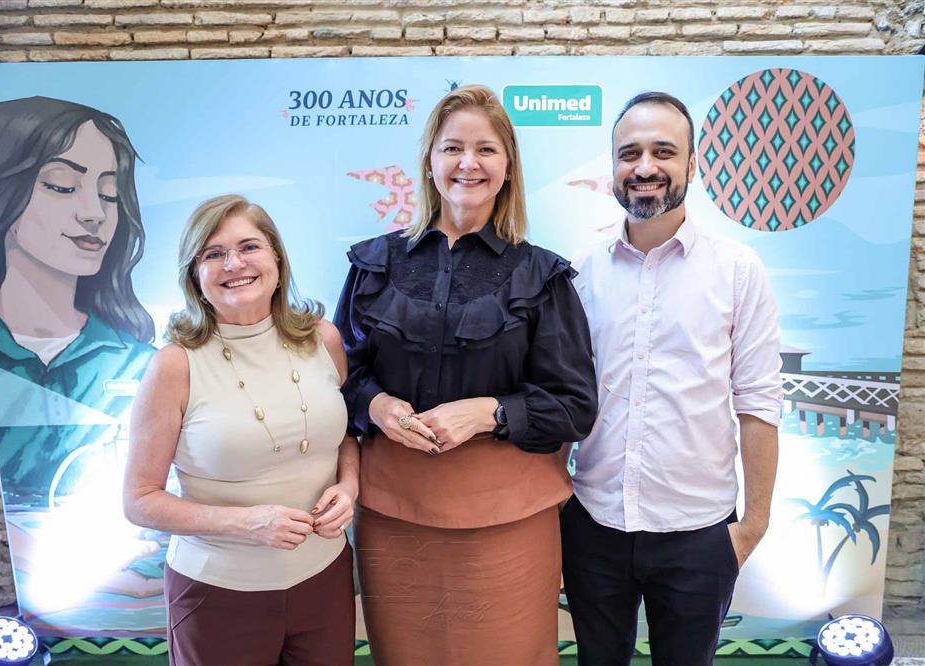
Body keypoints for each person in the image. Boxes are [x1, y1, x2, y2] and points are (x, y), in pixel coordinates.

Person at [335, 84, 596, 665]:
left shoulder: (543, 276)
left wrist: (489, 413)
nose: (468, 163)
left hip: (509, 521)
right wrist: (376, 405)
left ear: (508, 167)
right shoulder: (372, 265)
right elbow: (340, 374)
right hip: (392, 514)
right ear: (429, 162)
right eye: (452, 148)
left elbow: (575, 405)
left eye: (485, 149)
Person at [563, 91, 782, 665]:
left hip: (700, 533)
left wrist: (751, 528)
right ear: (613, 166)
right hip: (593, 523)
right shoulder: (580, 270)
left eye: (664, 152)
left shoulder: (737, 270)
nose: (645, 167)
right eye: (629, 153)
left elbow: (759, 402)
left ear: (692, 164)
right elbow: (562, 394)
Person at [124, 194, 358, 665]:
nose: (234, 264)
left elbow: (346, 437)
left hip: (324, 578)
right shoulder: (175, 366)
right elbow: (140, 500)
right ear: (195, 277)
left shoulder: (323, 339)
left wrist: (349, 487)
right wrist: (247, 523)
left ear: (277, 259)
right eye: (214, 254)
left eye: (249, 247)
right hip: (217, 593)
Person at [0, 96, 161, 598]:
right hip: (27, 600)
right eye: (62, 186)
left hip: (145, 607)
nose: (94, 213)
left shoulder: (144, 364)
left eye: (109, 194)